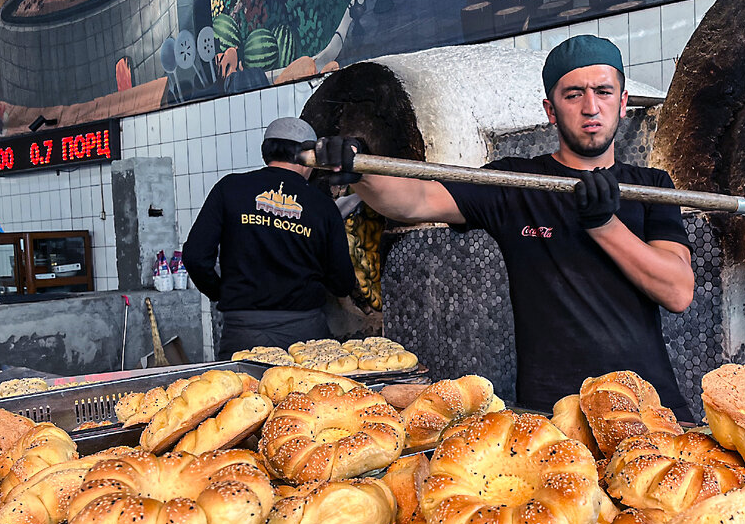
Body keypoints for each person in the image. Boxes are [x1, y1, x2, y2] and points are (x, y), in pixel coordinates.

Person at [310, 35, 696, 419]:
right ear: (550, 110)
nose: (591, 107)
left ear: (623, 103)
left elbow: (678, 291)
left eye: (604, 92)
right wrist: (359, 170)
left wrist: (603, 224)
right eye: (574, 94)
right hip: (553, 411)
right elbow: (416, 200)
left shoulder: (650, 186)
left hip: (650, 406)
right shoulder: (516, 183)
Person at [184, 117, 356, 359]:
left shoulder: (230, 188)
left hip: (243, 334)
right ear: (309, 157)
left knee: (243, 395)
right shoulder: (322, 205)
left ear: (266, 152)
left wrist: (222, 292)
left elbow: (194, 256)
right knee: (308, 397)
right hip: (305, 336)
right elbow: (343, 282)